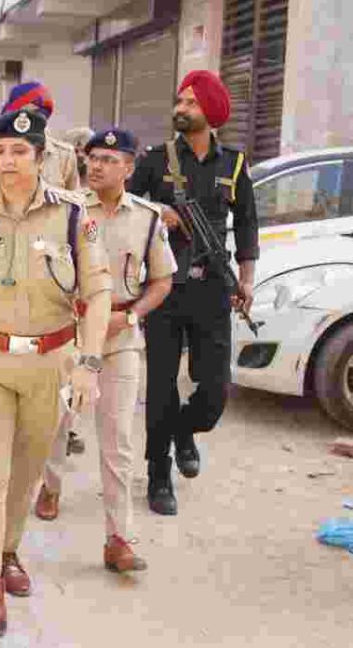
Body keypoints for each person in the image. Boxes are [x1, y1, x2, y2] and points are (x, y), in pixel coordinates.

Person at [0, 109, 111, 637]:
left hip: (49, 363)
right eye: (1, 151)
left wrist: (90, 363)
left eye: (20, 152)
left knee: (25, 472)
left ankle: (7, 550)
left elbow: (97, 293)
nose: (8, 162)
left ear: (40, 158)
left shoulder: (74, 215)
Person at [37, 128, 175, 572]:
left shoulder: (148, 217)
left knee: (117, 440)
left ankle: (119, 538)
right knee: (56, 423)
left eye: (109, 160)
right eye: (92, 157)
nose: (96, 166)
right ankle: (51, 485)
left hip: (121, 336)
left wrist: (131, 317)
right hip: (70, 331)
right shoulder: (67, 211)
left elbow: (162, 280)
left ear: (130, 168)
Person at [129, 70, 258, 515]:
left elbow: (246, 226)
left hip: (213, 289)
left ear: (212, 112)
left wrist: (247, 278)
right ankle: (158, 474)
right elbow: (123, 204)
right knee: (162, 384)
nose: (180, 108)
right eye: (179, 101)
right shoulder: (155, 159)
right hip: (165, 288)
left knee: (215, 390)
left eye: (190, 103)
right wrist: (156, 210)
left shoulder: (235, 165)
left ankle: (185, 431)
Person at [3, 82, 88, 458]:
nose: (32, 120)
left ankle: (61, 430)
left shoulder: (64, 156)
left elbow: (75, 209)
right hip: (5, 267)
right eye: (24, 113)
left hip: (53, 271)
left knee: (59, 361)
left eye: (39, 115)